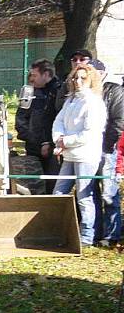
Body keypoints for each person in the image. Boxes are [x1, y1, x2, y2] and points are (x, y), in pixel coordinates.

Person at [52, 62, 107, 247]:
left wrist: (65, 141)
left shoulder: (94, 103)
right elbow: (58, 122)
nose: (78, 81)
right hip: (69, 155)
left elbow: (89, 133)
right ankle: (57, 230)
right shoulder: (70, 100)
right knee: (59, 192)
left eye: (83, 78)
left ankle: (86, 236)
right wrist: (58, 139)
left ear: (91, 80)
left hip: (86, 155)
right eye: (75, 77)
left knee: (84, 196)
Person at [89, 59, 124, 247]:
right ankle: (95, 233)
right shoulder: (84, 93)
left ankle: (112, 235)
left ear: (102, 73)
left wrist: (106, 145)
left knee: (109, 194)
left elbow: (119, 121)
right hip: (87, 150)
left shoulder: (115, 91)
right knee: (90, 192)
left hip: (106, 149)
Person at [14, 58, 61, 193]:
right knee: (34, 185)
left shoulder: (59, 92)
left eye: (34, 75)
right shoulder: (29, 92)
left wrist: (49, 142)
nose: (31, 79)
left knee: (53, 182)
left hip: (54, 146)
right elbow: (21, 117)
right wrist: (30, 137)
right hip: (33, 146)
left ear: (46, 74)